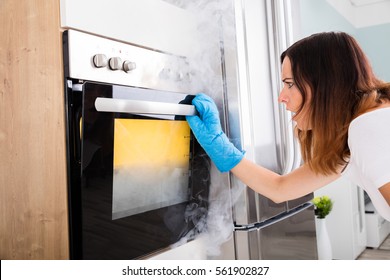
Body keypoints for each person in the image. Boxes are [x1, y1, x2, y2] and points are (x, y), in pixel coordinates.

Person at [186, 31, 390, 221]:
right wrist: (220, 146)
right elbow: (280, 188)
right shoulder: (353, 130)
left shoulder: (368, 127)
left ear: (326, 83)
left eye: (290, 84)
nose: (281, 97)